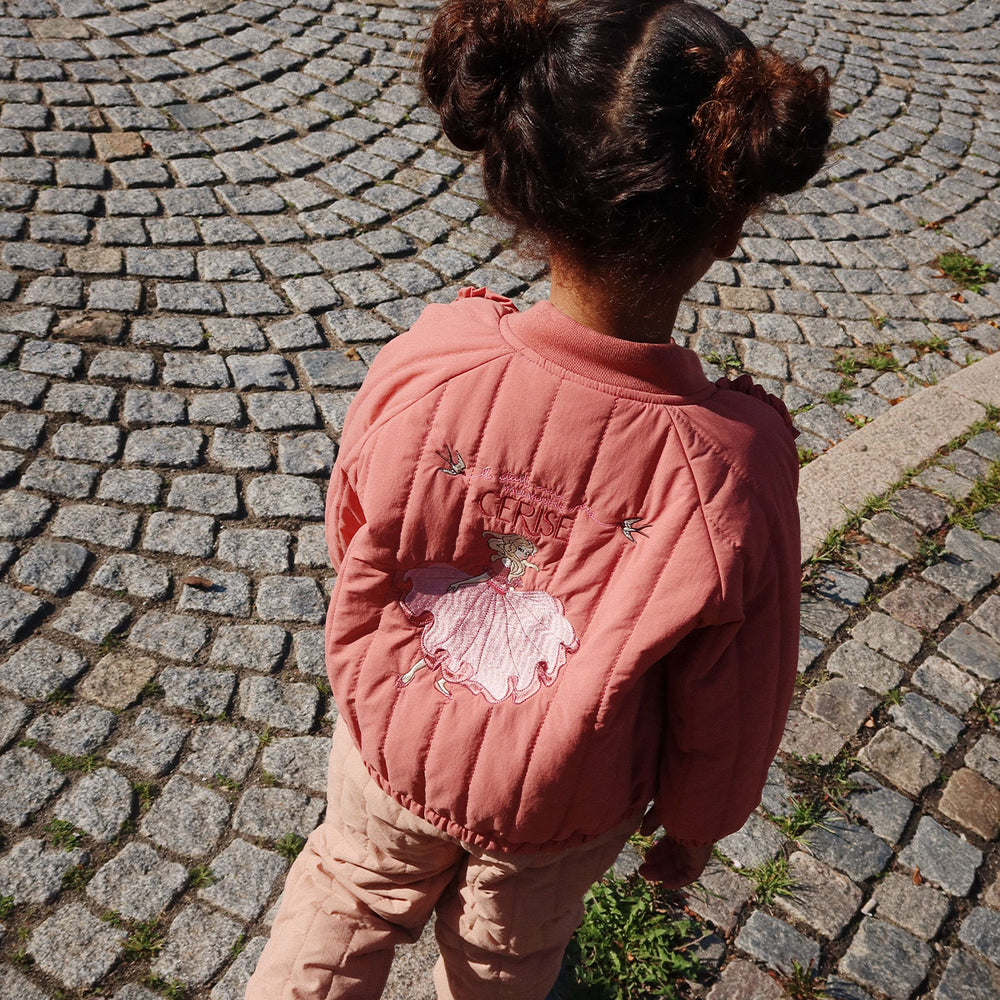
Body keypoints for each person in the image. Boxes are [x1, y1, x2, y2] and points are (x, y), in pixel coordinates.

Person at [245, 1, 830, 998]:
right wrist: (696, 822)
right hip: (562, 803)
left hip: (393, 739)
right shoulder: (732, 468)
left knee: (340, 895)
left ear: (525, 183)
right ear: (728, 222)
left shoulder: (432, 361)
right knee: (507, 967)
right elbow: (730, 695)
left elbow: (356, 529)